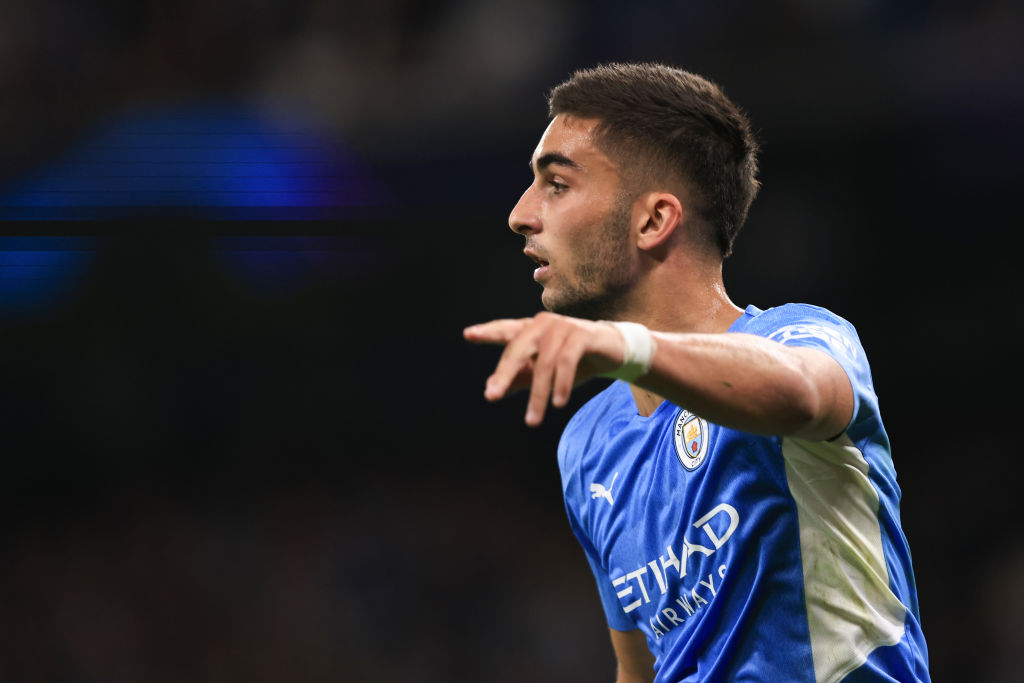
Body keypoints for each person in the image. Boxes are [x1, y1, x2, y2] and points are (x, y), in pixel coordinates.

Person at [463, 63, 930, 682]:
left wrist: (621, 346)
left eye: (556, 184)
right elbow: (640, 669)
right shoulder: (586, 443)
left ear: (654, 220)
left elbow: (799, 392)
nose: (522, 214)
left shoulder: (801, 336)